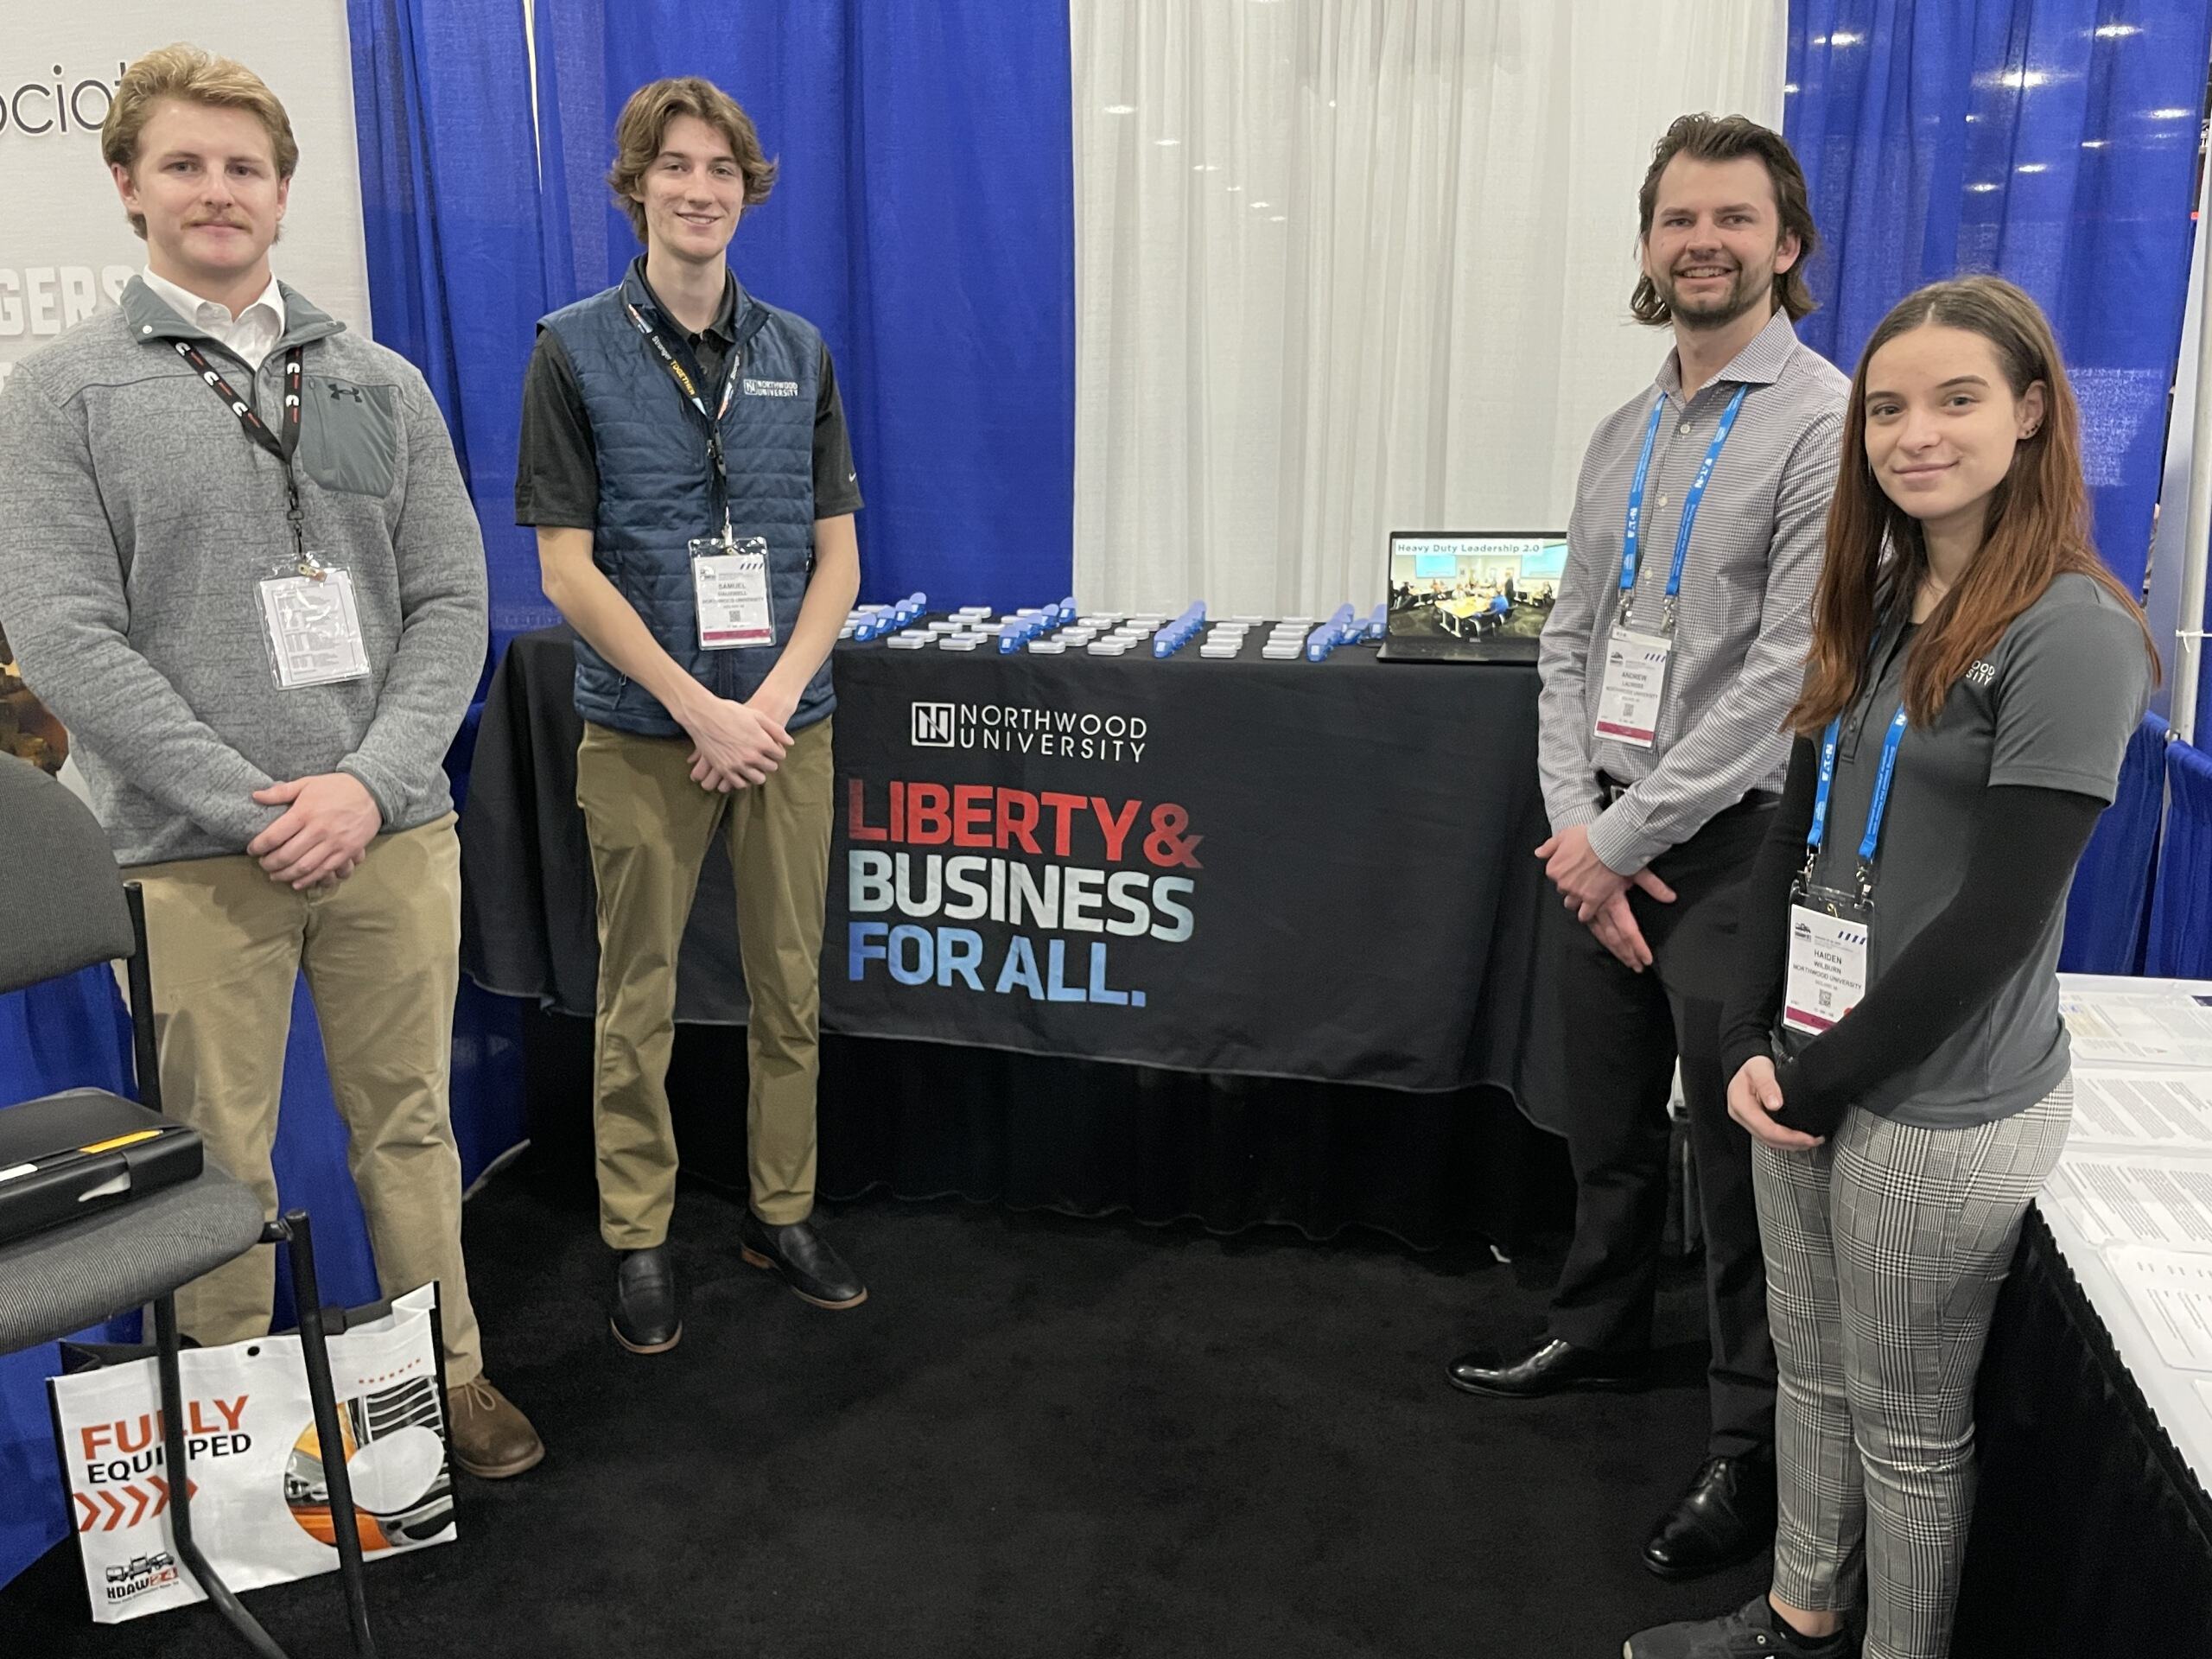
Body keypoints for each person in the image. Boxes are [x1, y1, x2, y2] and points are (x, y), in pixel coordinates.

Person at [0, 44, 542, 1477]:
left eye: (245, 166)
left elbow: (451, 601)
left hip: (393, 829)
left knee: (410, 1131)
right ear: (128, 187)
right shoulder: (62, 395)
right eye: (183, 163)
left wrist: (368, 782)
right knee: (214, 1155)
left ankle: (450, 1370)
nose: (217, 191)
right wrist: (248, 804)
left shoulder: (376, 381)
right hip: (189, 857)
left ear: (285, 191)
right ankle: (234, 1447)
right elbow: (62, 635)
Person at [1628, 276, 2157, 1659]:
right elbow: (1790, 833)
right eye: (1888, 408)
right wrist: (1746, 1034)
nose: (1915, 434)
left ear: (2035, 413)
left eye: (1958, 400)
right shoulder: (1872, 591)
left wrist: (1818, 1077)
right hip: (1803, 1064)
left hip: (1934, 1104)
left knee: (1910, 1431)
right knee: (1810, 1378)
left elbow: (1994, 921)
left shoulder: (2073, 633)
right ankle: (1802, 1616)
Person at [1446, 112, 1848, 1580]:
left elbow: (1790, 675)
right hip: (1604, 836)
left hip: (1732, 847)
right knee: (1606, 1115)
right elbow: (1570, 647)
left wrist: (1620, 836)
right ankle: (1600, 1327)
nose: (1705, 243)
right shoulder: (1626, 432)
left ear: (1785, 246)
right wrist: (1577, 832)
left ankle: (1749, 1442)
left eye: (1735, 220)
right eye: (1680, 218)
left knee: (1734, 1166)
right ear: (1648, 242)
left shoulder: (1824, 420)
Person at [517, 76, 865, 1352]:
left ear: (746, 189)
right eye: (675, 166)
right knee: (639, 996)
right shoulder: (572, 348)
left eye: (721, 168)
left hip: (788, 725)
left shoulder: (800, 352)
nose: (700, 188)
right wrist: (695, 708)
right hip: (645, 728)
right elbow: (566, 568)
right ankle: (639, 1233)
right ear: (637, 185)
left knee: (787, 986)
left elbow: (839, 561)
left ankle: (783, 1209)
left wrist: (764, 703)